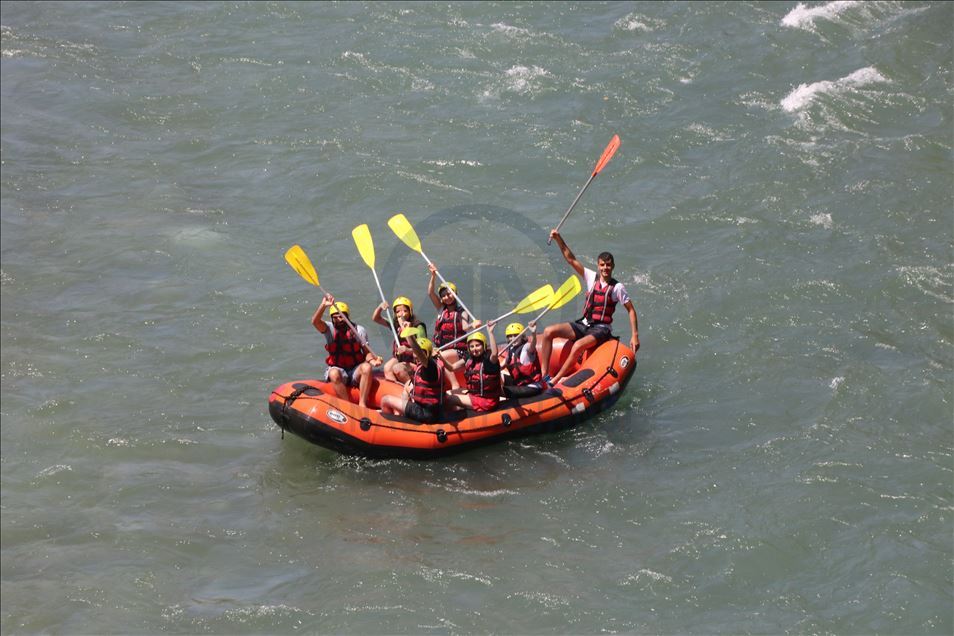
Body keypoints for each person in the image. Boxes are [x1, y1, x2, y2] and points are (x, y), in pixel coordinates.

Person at [540, 230, 640, 386]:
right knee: (548, 331)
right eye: (602, 265)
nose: (605, 268)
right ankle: (544, 376)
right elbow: (571, 259)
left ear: (613, 266)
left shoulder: (617, 288)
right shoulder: (591, 277)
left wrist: (634, 335)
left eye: (608, 265)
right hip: (584, 324)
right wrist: (558, 238)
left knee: (578, 346)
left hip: (601, 329)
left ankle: (555, 380)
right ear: (598, 266)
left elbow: (631, 310)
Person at [311, 294, 383, 408]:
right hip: (338, 368)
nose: (338, 320)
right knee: (333, 373)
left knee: (367, 368)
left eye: (341, 316)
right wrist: (323, 305)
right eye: (335, 317)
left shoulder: (359, 330)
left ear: (347, 316)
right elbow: (315, 322)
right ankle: (348, 406)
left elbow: (367, 352)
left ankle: (362, 404)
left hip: (355, 369)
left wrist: (372, 361)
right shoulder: (329, 329)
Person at [380, 331, 443, 423]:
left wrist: (409, 334)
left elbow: (417, 350)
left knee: (385, 400)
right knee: (407, 385)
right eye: (414, 353)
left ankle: (391, 425)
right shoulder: (427, 365)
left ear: (426, 354)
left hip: (424, 413)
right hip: (427, 409)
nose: (416, 356)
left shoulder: (429, 366)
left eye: (419, 353)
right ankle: (402, 415)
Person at [427, 263, 473, 389]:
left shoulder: (462, 312)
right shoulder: (441, 309)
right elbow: (430, 293)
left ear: (455, 294)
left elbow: (465, 327)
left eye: (449, 294)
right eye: (443, 296)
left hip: (460, 350)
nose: (447, 297)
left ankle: (455, 385)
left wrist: (473, 325)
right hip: (443, 348)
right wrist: (433, 276)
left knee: (440, 358)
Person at [442, 326, 502, 413]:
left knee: (449, 398)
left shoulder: (489, 361)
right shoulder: (469, 358)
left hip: (486, 401)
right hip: (474, 395)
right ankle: (459, 411)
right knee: (448, 393)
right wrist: (440, 357)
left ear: (484, 346)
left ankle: (454, 416)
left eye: (477, 345)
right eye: (472, 346)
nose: (474, 349)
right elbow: (452, 368)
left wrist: (490, 333)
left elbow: (495, 353)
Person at [372, 296, 426, 383]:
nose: (401, 314)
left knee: (397, 368)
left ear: (410, 311)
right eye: (398, 311)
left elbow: (423, 350)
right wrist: (380, 307)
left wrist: (407, 350)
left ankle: (412, 387)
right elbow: (376, 318)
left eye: (405, 311)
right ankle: (397, 388)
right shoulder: (395, 324)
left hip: (415, 361)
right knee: (387, 367)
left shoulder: (418, 326)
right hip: (401, 358)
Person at [499, 320, 545, 399]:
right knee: (498, 376)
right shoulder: (510, 351)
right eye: (510, 336)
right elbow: (499, 367)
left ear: (522, 336)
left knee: (496, 391)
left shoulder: (527, 347)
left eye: (516, 335)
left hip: (532, 387)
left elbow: (533, 346)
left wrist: (533, 333)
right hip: (519, 384)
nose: (513, 338)